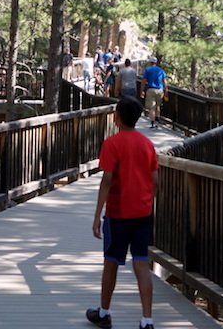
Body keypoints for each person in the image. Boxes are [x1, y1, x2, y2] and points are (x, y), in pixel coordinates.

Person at [88, 96, 159, 329]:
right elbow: (155, 179)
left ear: (117, 117)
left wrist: (98, 214)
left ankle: (104, 313)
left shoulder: (112, 143)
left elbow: (107, 180)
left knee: (111, 262)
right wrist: (148, 201)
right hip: (142, 211)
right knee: (141, 262)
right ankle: (147, 320)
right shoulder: (147, 144)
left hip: (118, 213)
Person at [142, 56, 166, 127]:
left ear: (150, 62)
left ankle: (152, 123)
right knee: (158, 106)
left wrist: (142, 90)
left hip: (151, 89)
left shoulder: (148, 70)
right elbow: (164, 81)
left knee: (152, 108)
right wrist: (166, 90)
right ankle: (157, 122)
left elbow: (144, 81)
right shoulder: (161, 70)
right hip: (160, 90)